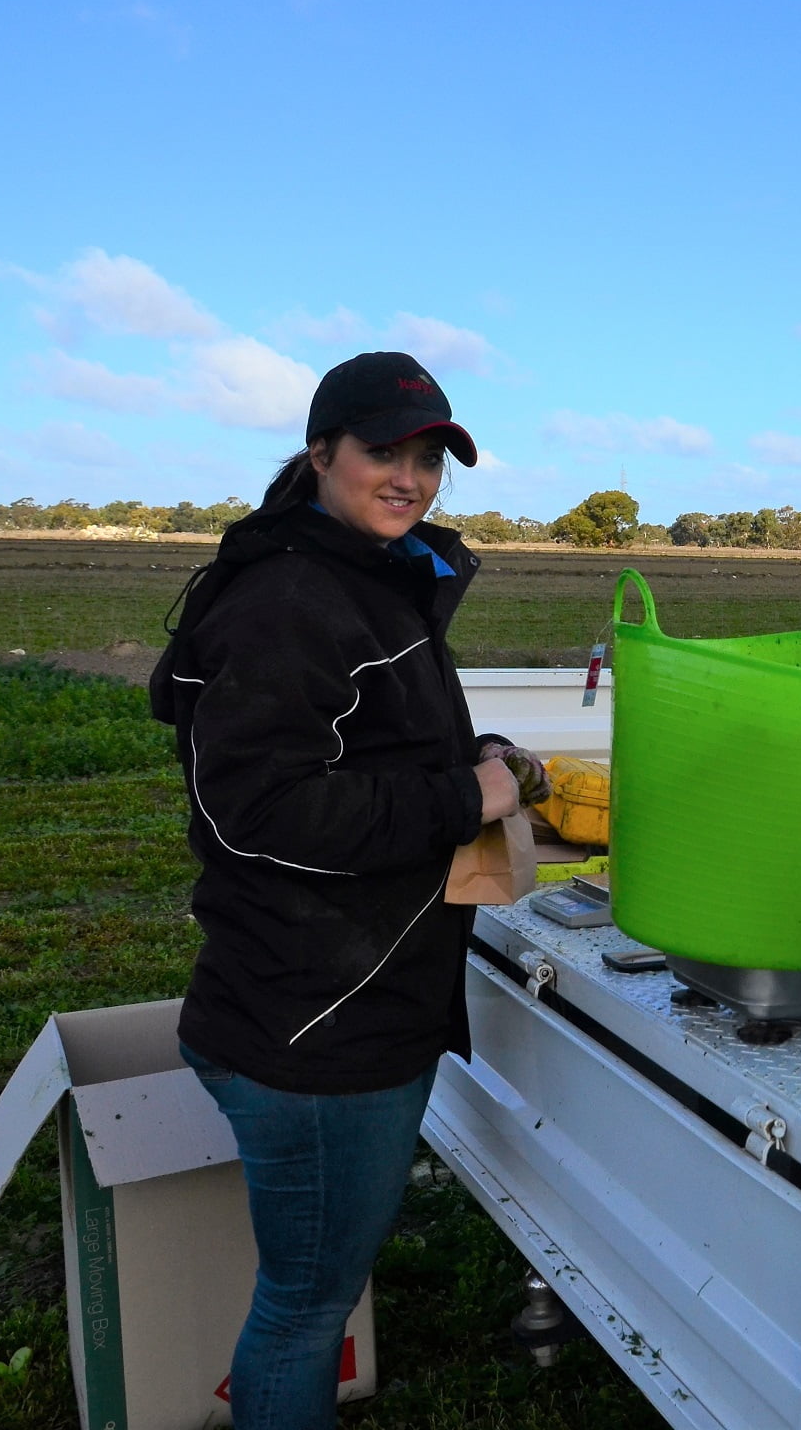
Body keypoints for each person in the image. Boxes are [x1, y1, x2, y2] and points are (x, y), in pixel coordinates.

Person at [150, 352, 547, 1429]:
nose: (410, 477)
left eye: (428, 458)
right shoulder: (294, 597)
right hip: (321, 1024)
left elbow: (362, 745)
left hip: (303, 995)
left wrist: (474, 762)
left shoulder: (365, 577)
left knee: (306, 1290)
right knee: (304, 1307)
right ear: (320, 452)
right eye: (385, 451)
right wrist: (463, 798)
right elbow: (262, 809)